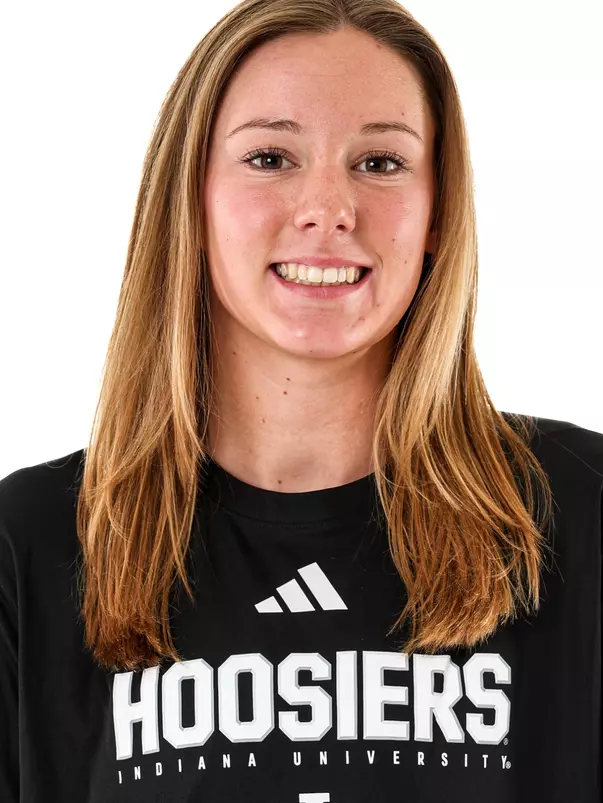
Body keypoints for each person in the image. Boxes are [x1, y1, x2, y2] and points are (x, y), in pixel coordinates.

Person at [0, 0, 601, 801]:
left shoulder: (581, 512)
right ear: (194, 199)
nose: (329, 208)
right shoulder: (30, 544)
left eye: (380, 162)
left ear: (436, 212)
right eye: (271, 157)